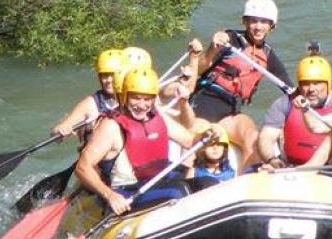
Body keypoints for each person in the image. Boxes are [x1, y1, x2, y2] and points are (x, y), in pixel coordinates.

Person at [180, 0, 289, 170]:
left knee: (252, 136)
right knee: (199, 138)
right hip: (205, 101)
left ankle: (244, 180)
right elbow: (201, 68)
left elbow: (289, 90)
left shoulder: (269, 56)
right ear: (245, 22)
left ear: (271, 26)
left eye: (264, 22)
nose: (258, 26)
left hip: (231, 112)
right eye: (253, 21)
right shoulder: (229, 38)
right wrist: (212, 49)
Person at [75, 66, 200, 215]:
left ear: (154, 99)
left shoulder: (158, 117)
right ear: (124, 96)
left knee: (205, 183)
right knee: (180, 191)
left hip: (159, 180)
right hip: (128, 192)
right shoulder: (111, 126)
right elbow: (82, 167)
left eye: (147, 99)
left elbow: (190, 141)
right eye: (136, 98)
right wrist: (110, 195)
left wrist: (210, 136)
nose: (141, 105)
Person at [258, 53, 332, 170]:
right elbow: (266, 137)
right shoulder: (284, 103)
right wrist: (272, 159)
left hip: (330, 170)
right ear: (299, 85)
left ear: (328, 83)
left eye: (317, 83)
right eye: (305, 83)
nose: (311, 89)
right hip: (290, 167)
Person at [51, 48, 125, 141]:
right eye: (105, 75)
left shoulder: (136, 100)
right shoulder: (91, 104)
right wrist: (60, 131)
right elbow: (55, 134)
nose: (108, 80)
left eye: (113, 75)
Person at [186, 120, 236, 190]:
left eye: (219, 144)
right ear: (201, 150)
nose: (215, 148)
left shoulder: (231, 174)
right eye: (210, 145)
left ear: (224, 148)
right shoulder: (194, 172)